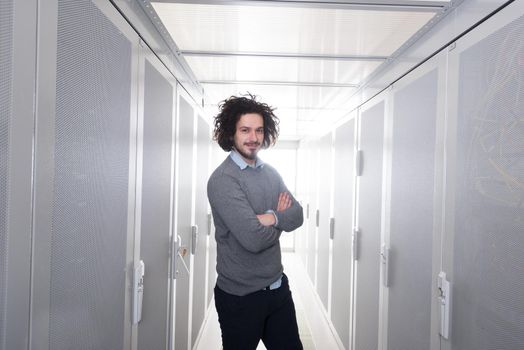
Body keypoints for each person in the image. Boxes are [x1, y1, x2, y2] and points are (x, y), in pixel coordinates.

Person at [207, 94, 304, 350]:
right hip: (240, 297)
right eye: (245, 130)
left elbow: (298, 215)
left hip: (278, 289)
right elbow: (252, 240)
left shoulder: (270, 173)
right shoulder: (223, 180)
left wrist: (270, 217)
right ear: (231, 133)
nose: (253, 137)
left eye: (259, 130)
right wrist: (280, 219)